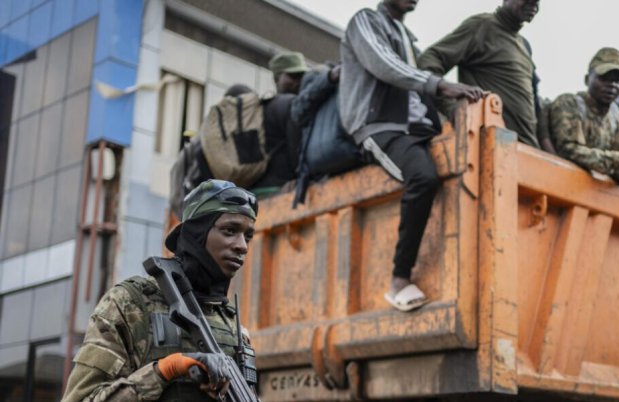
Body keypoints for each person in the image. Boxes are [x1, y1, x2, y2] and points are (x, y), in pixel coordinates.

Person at [340, 0, 484, 311]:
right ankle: (399, 280)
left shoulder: (407, 36)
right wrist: (440, 84)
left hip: (417, 129)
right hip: (379, 126)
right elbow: (383, 64)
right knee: (422, 177)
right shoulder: (364, 21)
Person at [62, 180, 258, 401]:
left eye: (248, 236)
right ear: (197, 234)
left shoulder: (233, 327)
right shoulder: (131, 304)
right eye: (229, 230)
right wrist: (165, 370)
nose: (242, 245)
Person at [418, 0, 546, 150]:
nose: (533, 4)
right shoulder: (482, 26)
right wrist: (454, 108)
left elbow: (535, 102)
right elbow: (429, 60)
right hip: (493, 146)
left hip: (525, 149)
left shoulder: (524, 45)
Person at [549, 47, 619, 195]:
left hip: (590, 197)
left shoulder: (614, 119)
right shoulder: (569, 103)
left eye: (617, 80)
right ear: (587, 79)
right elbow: (570, 151)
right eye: (604, 78)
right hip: (559, 189)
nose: (611, 85)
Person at [250, 66, 340, 197]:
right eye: (292, 76)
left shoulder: (261, 107)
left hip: (253, 191)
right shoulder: (288, 104)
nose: (298, 81)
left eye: (301, 77)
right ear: (276, 78)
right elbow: (296, 151)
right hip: (278, 189)